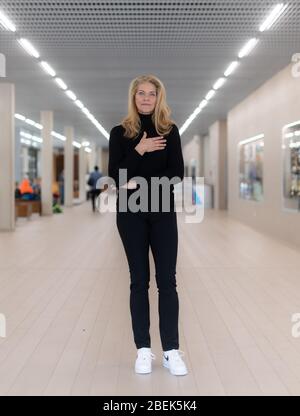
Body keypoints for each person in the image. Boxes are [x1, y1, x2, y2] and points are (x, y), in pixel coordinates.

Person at [108, 74, 188, 376]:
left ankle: (170, 351)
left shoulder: (170, 131)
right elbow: (115, 177)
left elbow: (176, 172)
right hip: (130, 213)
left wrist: (137, 181)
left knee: (167, 280)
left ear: (159, 97)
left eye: (151, 93)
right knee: (138, 281)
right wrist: (139, 150)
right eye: (140, 93)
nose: (145, 98)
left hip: (162, 211)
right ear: (133, 97)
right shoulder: (120, 133)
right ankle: (143, 350)